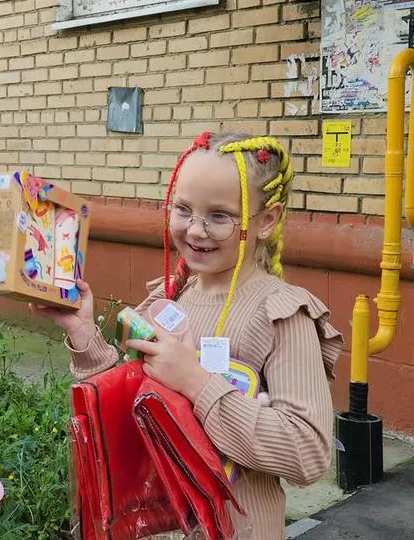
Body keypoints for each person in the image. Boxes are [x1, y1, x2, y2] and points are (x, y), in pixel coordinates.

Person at [33, 132, 343, 540]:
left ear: (266, 221)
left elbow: (307, 452)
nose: (195, 230)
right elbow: (129, 401)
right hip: (154, 524)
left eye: (219, 216)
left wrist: (196, 381)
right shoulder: (169, 295)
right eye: (183, 209)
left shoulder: (282, 313)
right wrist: (84, 332)